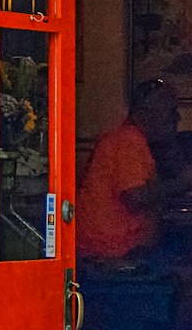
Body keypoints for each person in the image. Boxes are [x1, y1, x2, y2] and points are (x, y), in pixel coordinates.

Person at [78, 81, 182, 268]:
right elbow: (135, 198)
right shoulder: (128, 141)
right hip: (114, 251)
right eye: (171, 112)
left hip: (123, 247)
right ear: (147, 113)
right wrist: (185, 182)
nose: (177, 118)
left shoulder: (132, 139)